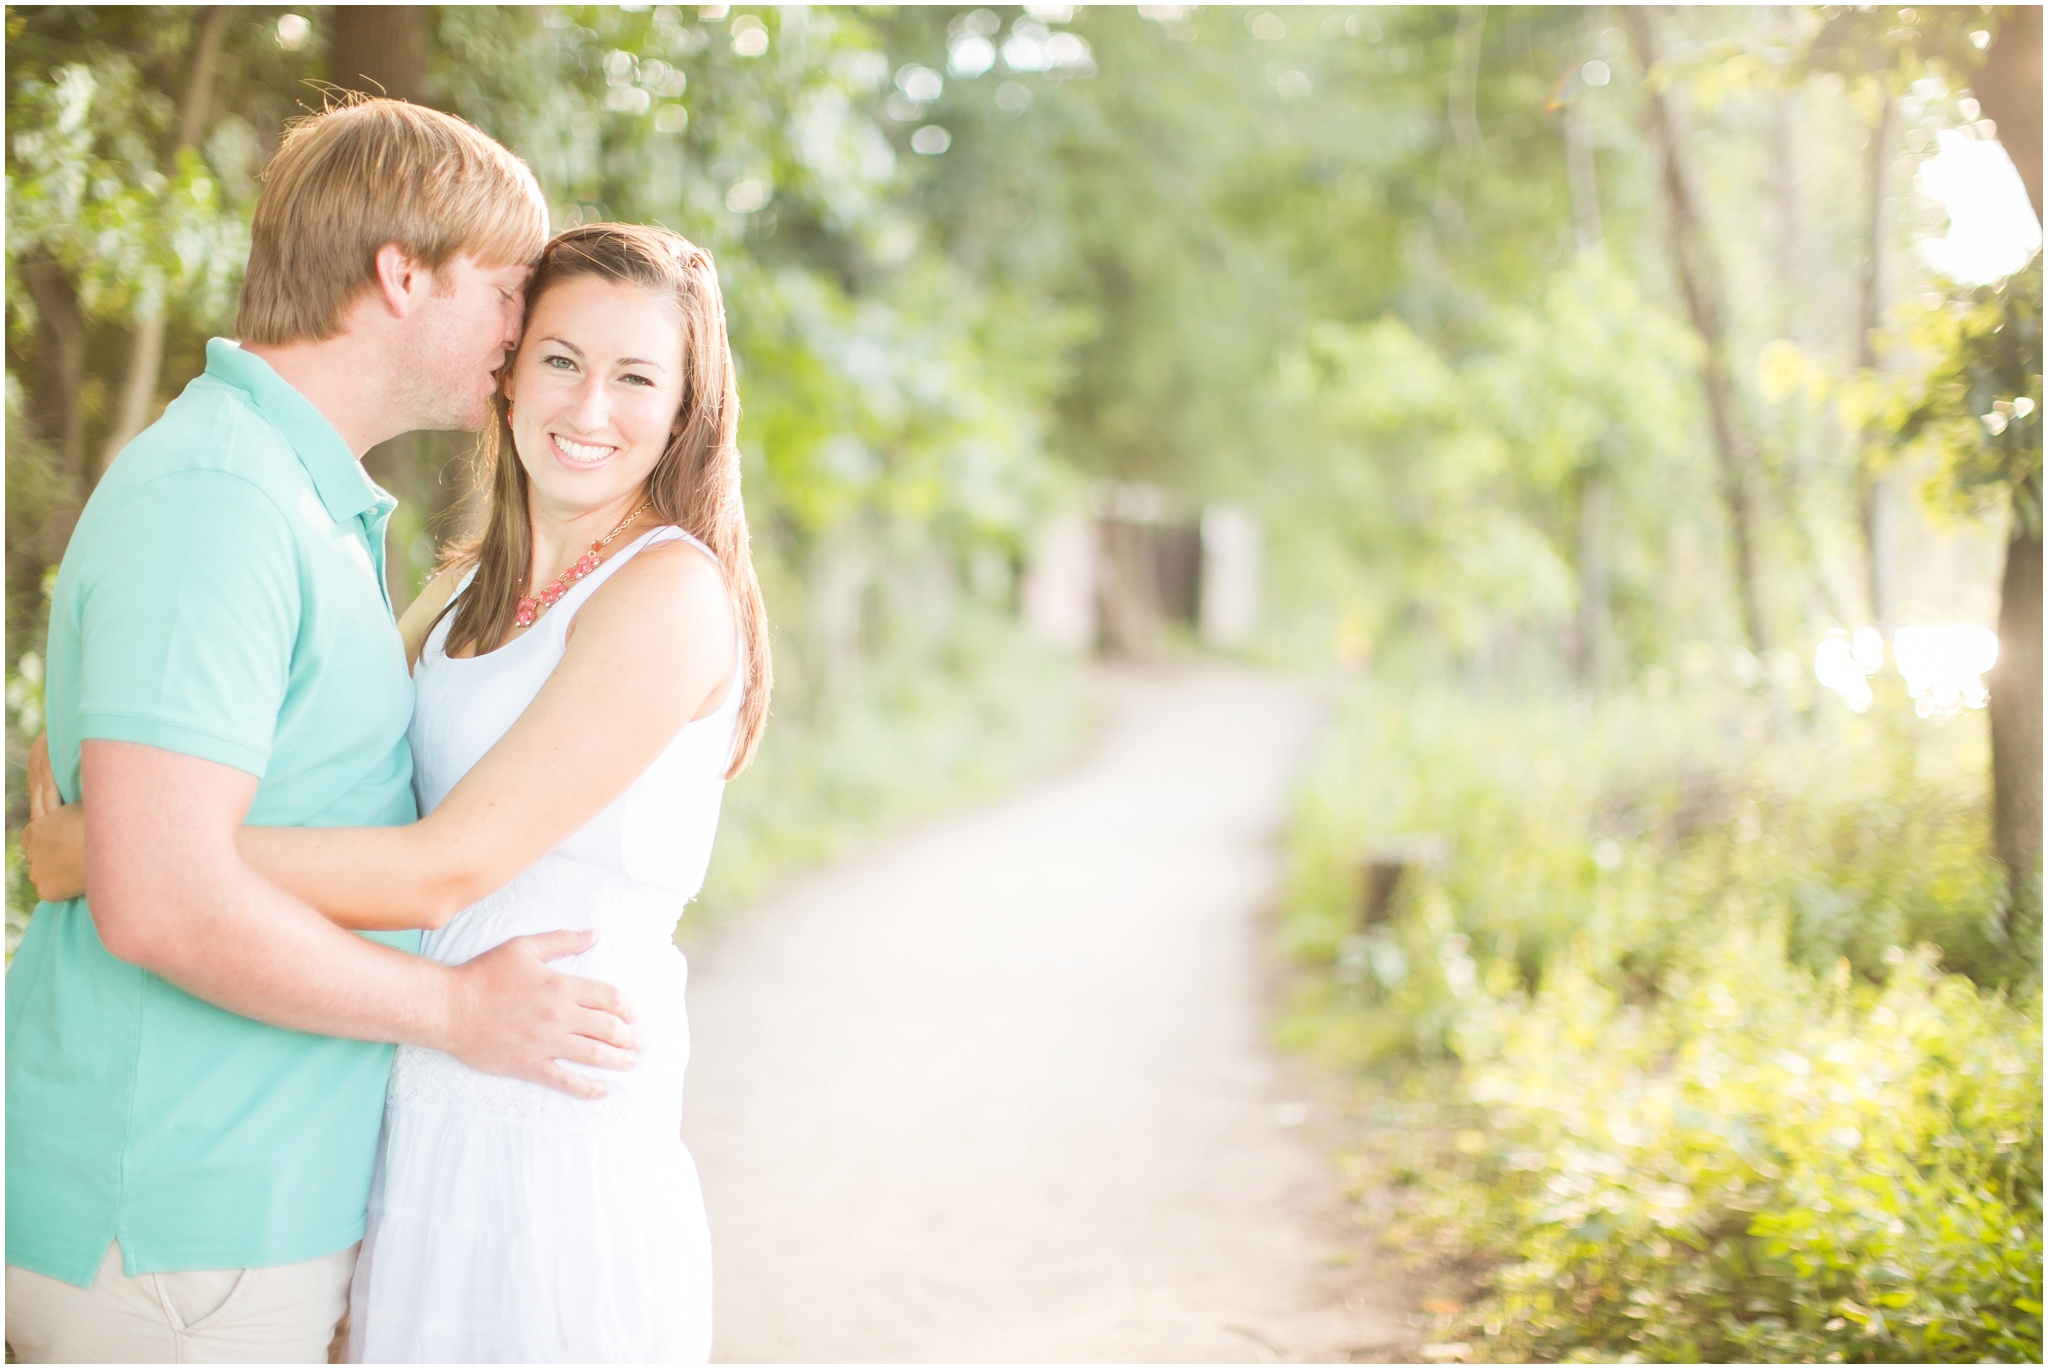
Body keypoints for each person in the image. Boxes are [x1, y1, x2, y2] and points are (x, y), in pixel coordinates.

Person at [28, 221, 772, 1362]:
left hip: (549, 1102)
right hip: (419, 1102)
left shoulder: (665, 593)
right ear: (510, 369)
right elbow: (356, 802)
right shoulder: (468, 586)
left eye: (636, 377)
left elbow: (442, 866)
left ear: (684, 410)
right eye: (561, 359)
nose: (587, 407)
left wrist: (116, 845)